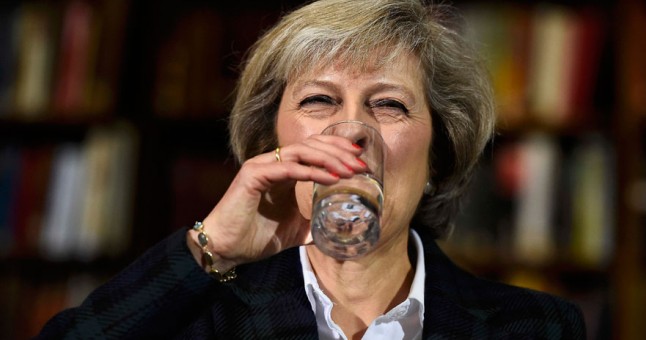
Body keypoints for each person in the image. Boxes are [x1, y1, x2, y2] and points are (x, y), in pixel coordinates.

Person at [37, 0, 586, 339]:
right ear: (268, 143)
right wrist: (212, 251)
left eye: (389, 104)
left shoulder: (536, 327)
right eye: (319, 100)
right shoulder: (193, 319)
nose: (350, 130)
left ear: (438, 154)